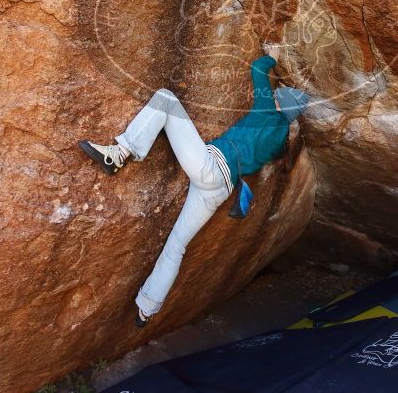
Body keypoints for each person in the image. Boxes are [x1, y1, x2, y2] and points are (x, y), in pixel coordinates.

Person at [78, 43, 309, 327]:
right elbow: (275, 149)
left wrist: (272, 58)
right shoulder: (279, 140)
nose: (273, 96)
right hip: (220, 191)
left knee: (165, 99)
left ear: (279, 105)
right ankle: (147, 308)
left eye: (277, 96)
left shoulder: (267, 112)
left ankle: (120, 153)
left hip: (210, 168)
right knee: (177, 245)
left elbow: (257, 69)